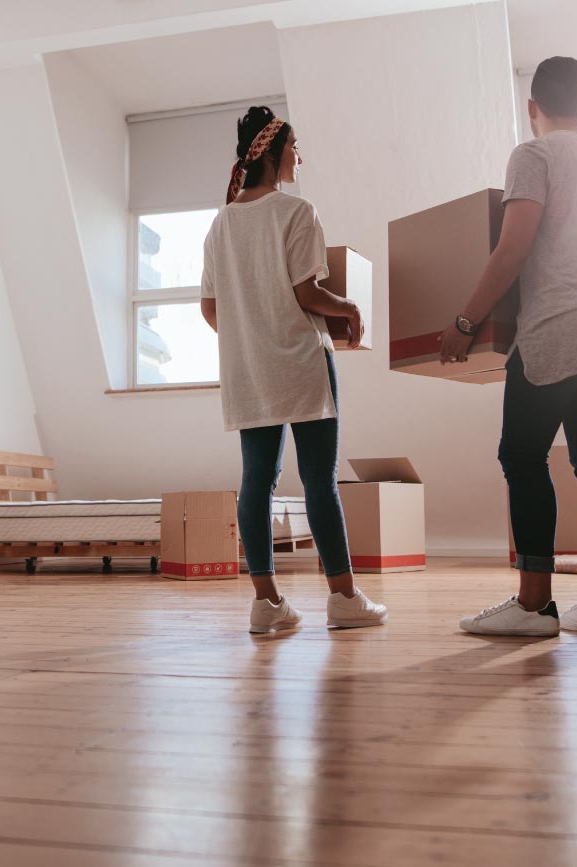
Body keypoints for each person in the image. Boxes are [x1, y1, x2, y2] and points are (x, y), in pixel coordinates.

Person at [441, 57, 577, 637]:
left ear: (532, 108)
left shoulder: (532, 155)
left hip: (556, 328)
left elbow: (512, 249)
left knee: (522, 456)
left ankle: (534, 605)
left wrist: (466, 321)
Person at [200, 106, 387, 635]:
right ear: (275, 151)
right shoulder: (295, 211)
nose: (299, 155)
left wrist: (252, 338)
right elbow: (307, 292)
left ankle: (266, 603)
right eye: (296, 145)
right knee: (319, 482)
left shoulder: (220, 224)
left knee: (256, 482)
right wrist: (349, 309)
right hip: (303, 364)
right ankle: (345, 598)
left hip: (250, 373)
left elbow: (211, 309)